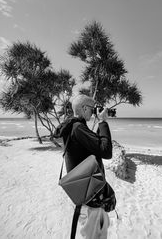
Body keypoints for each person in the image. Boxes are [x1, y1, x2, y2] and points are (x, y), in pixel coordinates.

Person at [54, 94, 113, 239]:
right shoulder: (78, 128)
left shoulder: (72, 126)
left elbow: (95, 146)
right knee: (97, 235)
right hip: (90, 196)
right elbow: (106, 151)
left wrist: (100, 124)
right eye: (92, 109)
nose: (94, 112)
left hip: (84, 191)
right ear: (84, 108)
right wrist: (102, 123)